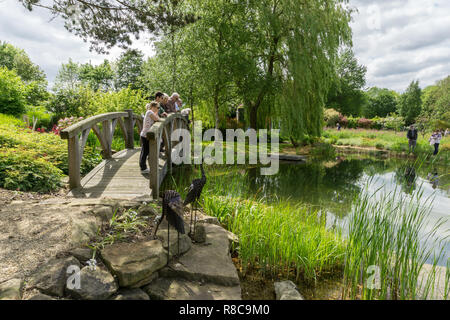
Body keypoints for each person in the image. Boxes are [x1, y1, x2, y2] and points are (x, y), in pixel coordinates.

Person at [140, 102, 163, 173]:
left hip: (145, 134)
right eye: (158, 107)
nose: (158, 109)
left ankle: (143, 167)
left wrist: (157, 114)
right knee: (145, 152)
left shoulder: (150, 112)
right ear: (153, 107)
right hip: (146, 135)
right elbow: (157, 119)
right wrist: (160, 116)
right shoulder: (149, 112)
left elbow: (156, 118)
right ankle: (143, 168)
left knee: (144, 151)